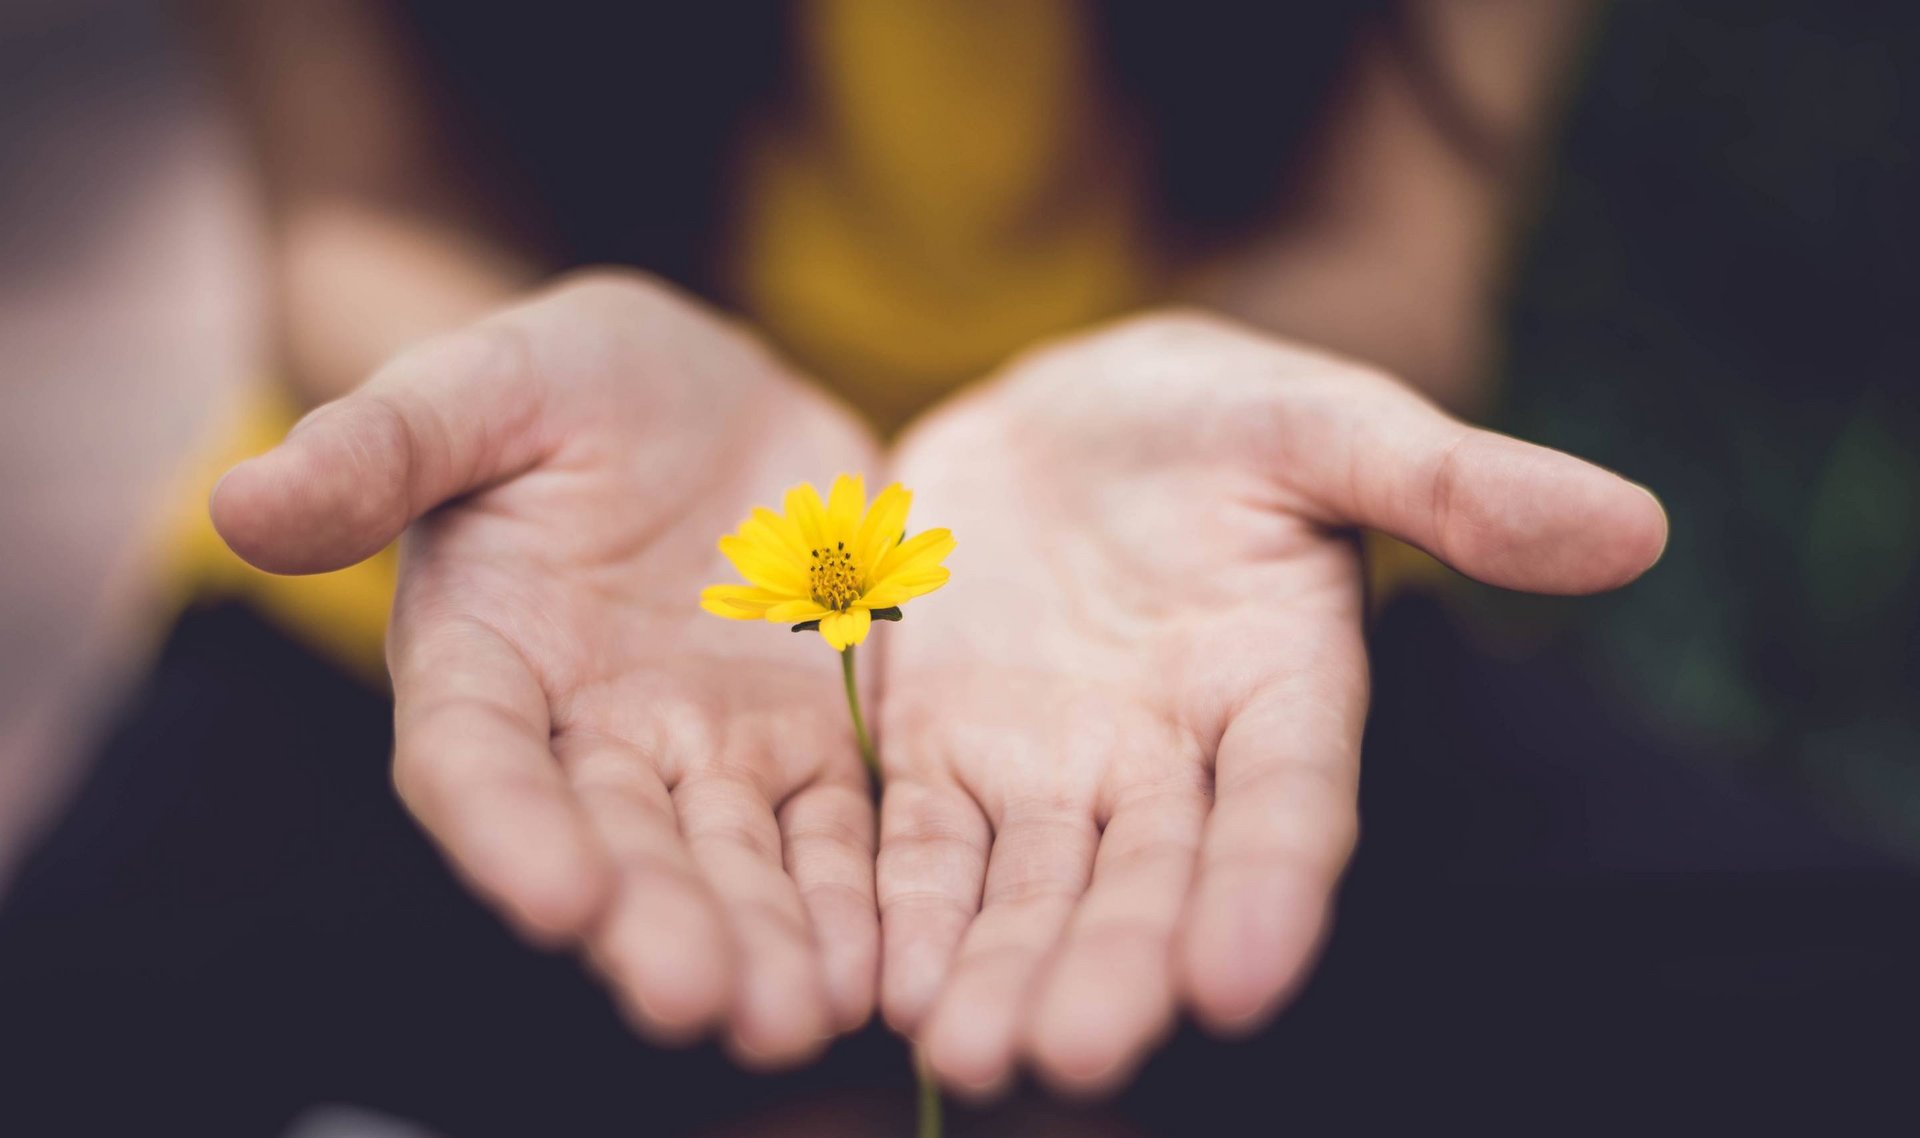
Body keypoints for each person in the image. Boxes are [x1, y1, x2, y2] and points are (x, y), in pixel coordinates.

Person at [3, 2, 1915, 1133]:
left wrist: (1263, 386)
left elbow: (1387, 252)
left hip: (1181, 617)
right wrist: (484, 396)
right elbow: (357, 211)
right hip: (529, 609)